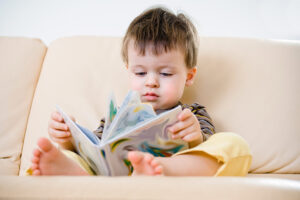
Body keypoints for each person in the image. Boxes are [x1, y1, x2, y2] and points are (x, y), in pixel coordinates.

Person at [29, 6, 252, 176]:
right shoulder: (117, 117)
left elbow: (207, 146)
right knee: (70, 155)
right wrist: (69, 139)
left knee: (233, 143)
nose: (152, 82)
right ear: (129, 71)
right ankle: (70, 172)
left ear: (189, 76)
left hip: (174, 173)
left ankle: (161, 169)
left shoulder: (192, 113)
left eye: (165, 74)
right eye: (140, 73)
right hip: (119, 175)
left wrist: (195, 138)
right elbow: (95, 148)